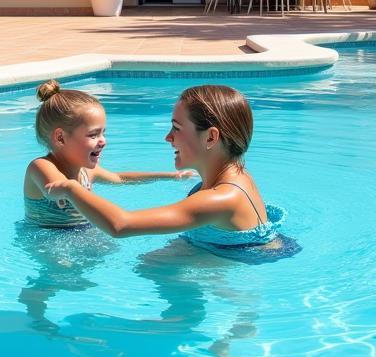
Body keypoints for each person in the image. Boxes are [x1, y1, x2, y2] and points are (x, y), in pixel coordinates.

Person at [44, 84, 285, 250]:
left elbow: (121, 225)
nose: (168, 138)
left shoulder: (222, 198)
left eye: (177, 128)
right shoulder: (234, 177)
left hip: (238, 277)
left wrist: (70, 188)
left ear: (211, 138)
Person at [24, 80, 193, 228]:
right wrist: (68, 187)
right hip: (46, 237)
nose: (103, 141)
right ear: (60, 138)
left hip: (83, 231)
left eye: (103, 133)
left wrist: (170, 176)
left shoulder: (87, 172)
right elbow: (51, 189)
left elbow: (120, 179)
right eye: (93, 135)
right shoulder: (41, 166)